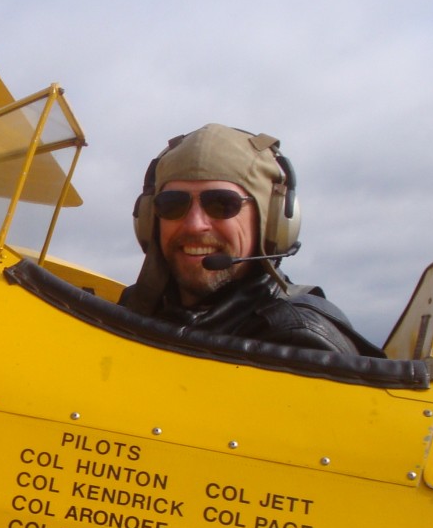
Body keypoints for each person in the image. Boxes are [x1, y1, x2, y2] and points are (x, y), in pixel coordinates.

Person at [120, 124, 376, 355]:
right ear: (150, 218)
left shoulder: (298, 342)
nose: (195, 224)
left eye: (222, 204)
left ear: (271, 221)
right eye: (172, 204)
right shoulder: (131, 312)